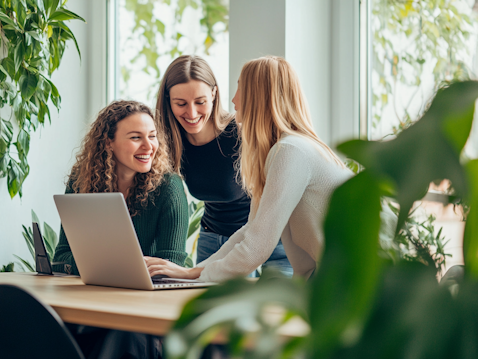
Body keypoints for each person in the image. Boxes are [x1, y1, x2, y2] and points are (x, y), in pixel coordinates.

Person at [145, 56, 353, 281]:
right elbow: (251, 230)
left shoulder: (290, 151)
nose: (233, 100)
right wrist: (192, 272)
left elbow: (256, 247)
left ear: (259, 96)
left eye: (240, 88)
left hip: (348, 280)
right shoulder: (285, 148)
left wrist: (191, 273)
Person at [52, 100, 188, 359]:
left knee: (122, 335)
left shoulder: (169, 189)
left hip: (144, 312)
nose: (148, 146)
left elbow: (170, 267)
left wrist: (97, 266)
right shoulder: (80, 182)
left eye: (152, 136)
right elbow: (62, 257)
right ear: (108, 143)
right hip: (92, 305)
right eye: (136, 138)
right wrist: (114, 268)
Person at [154, 55, 292, 276]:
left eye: (200, 102)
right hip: (212, 237)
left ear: (214, 94)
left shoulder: (242, 133)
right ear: (168, 101)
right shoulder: (169, 141)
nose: (191, 113)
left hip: (266, 237)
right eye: (181, 104)